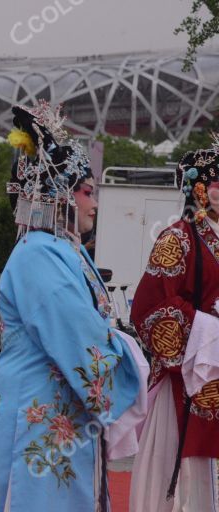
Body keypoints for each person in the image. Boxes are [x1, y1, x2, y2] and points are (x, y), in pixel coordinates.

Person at [0, 102, 148, 512]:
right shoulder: (38, 254)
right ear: (59, 194)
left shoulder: (64, 250)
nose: (94, 203)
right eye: (87, 192)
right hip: (34, 411)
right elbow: (78, 334)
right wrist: (133, 357)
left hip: (56, 408)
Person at [128, 145, 219, 512]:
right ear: (198, 189)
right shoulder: (177, 239)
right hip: (187, 376)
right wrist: (208, 328)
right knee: (182, 469)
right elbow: (150, 309)